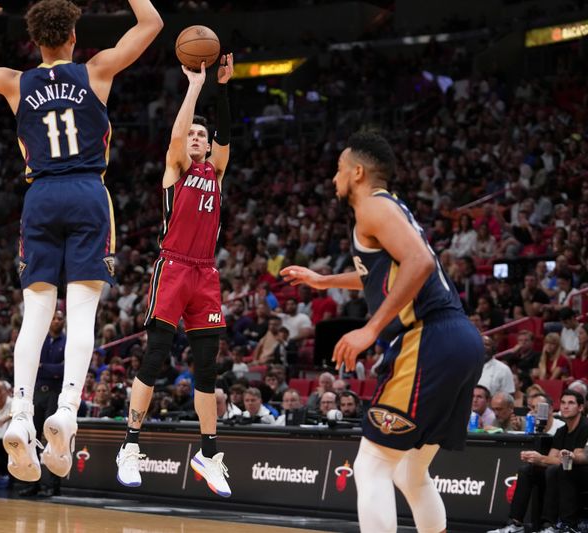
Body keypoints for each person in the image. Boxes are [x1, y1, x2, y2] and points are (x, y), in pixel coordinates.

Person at [0, 0, 163, 483]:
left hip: (40, 196)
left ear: (35, 42)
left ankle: (20, 414)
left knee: (35, 317)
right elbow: (153, 23)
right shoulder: (97, 70)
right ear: (74, 37)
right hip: (86, 193)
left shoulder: (16, 82)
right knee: (82, 314)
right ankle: (65, 410)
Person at [281, 132, 484, 533]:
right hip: (460, 340)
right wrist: (324, 282)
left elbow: (420, 262)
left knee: (371, 464)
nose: (334, 178)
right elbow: (379, 276)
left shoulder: (372, 206)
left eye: (339, 169)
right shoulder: (387, 211)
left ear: (357, 172)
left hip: (430, 337)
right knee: (410, 472)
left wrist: (370, 330)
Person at [115, 54, 234, 497]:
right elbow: (178, 135)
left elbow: (225, 137)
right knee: (157, 354)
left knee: (208, 367)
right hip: (174, 265)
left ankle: (207, 453)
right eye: (195, 136)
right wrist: (194, 87)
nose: (199, 139)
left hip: (205, 273)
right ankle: (130, 445)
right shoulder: (176, 169)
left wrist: (221, 88)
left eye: (204, 135)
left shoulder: (217, 173)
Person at [488, 391, 587, 533]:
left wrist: (542, 459)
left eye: (571, 403)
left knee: (554, 470)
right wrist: (534, 458)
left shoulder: (584, 427)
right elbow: (552, 458)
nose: (565, 407)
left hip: (580, 474)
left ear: (581, 407)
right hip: (562, 471)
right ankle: (515, 524)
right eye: (563, 403)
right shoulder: (562, 431)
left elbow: (573, 460)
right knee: (527, 470)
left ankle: (550, 526)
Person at [20, 310, 66, 498]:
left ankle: (54, 485)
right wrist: (48, 369)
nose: (56, 321)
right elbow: (31, 364)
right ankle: (33, 483)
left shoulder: (67, 342)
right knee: (33, 437)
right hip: (38, 393)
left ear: (63, 322)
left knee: (53, 437)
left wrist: (43, 367)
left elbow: (63, 370)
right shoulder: (40, 340)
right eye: (53, 318)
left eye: (59, 319)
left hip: (56, 393)